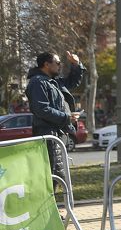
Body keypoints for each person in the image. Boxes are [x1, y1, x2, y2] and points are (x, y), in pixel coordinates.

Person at [26, 51, 84, 180]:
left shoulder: (53, 81)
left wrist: (76, 64)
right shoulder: (37, 82)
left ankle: (57, 200)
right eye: (57, 63)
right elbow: (41, 109)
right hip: (49, 134)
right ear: (47, 64)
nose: (60, 65)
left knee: (58, 175)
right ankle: (51, 200)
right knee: (55, 175)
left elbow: (72, 82)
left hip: (59, 133)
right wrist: (66, 117)